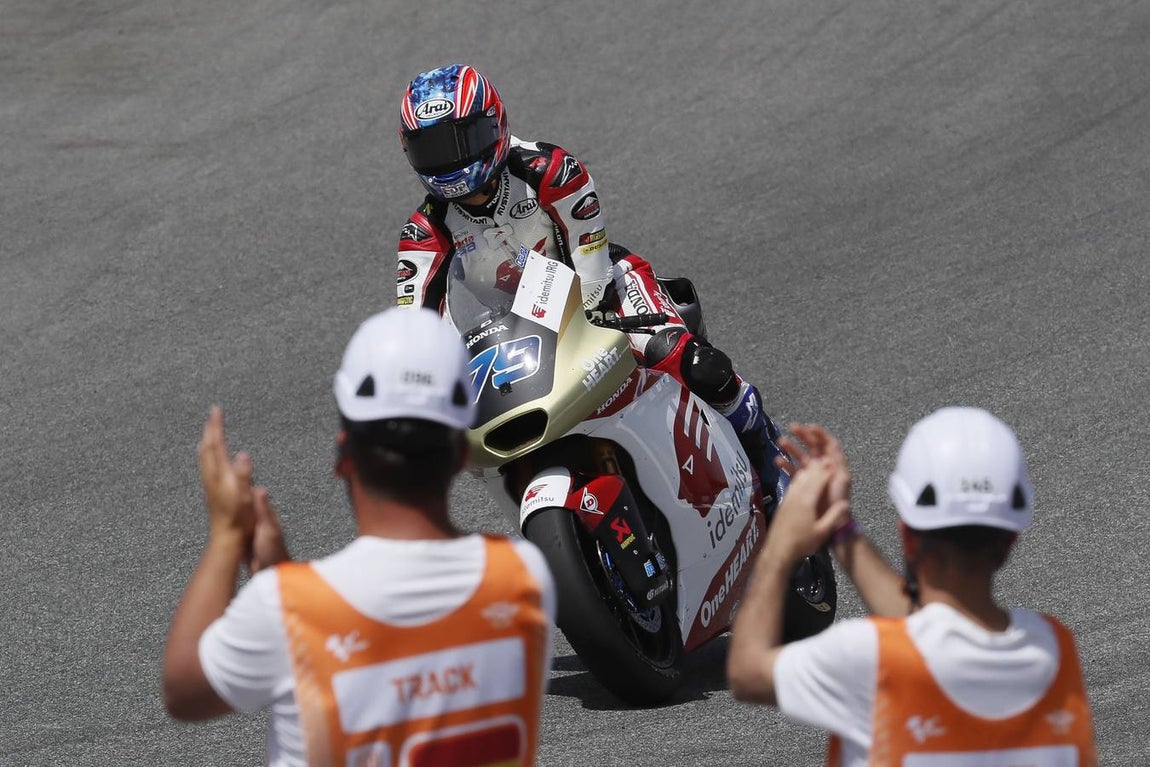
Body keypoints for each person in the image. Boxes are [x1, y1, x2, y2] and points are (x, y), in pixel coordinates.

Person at [162, 307, 557, 767]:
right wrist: (283, 583)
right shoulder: (524, 577)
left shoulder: (286, 608)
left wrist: (228, 535)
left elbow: (183, 688)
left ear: (343, 456)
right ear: (457, 457)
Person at [394, 62, 787, 501]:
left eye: (460, 141)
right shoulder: (423, 232)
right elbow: (417, 327)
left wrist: (591, 309)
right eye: (432, 149)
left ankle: (768, 455)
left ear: (493, 124)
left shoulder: (549, 170)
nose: (450, 160)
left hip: (598, 291)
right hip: (509, 333)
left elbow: (588, 248)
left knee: (693, 363)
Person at [726, 407, 1098, 766]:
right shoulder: (1055, 651)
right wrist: (841, 531)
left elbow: (748, 671)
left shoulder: (867, 656)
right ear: (1013, 536)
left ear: (905, 534)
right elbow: (931, 636)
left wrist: (781, 544)